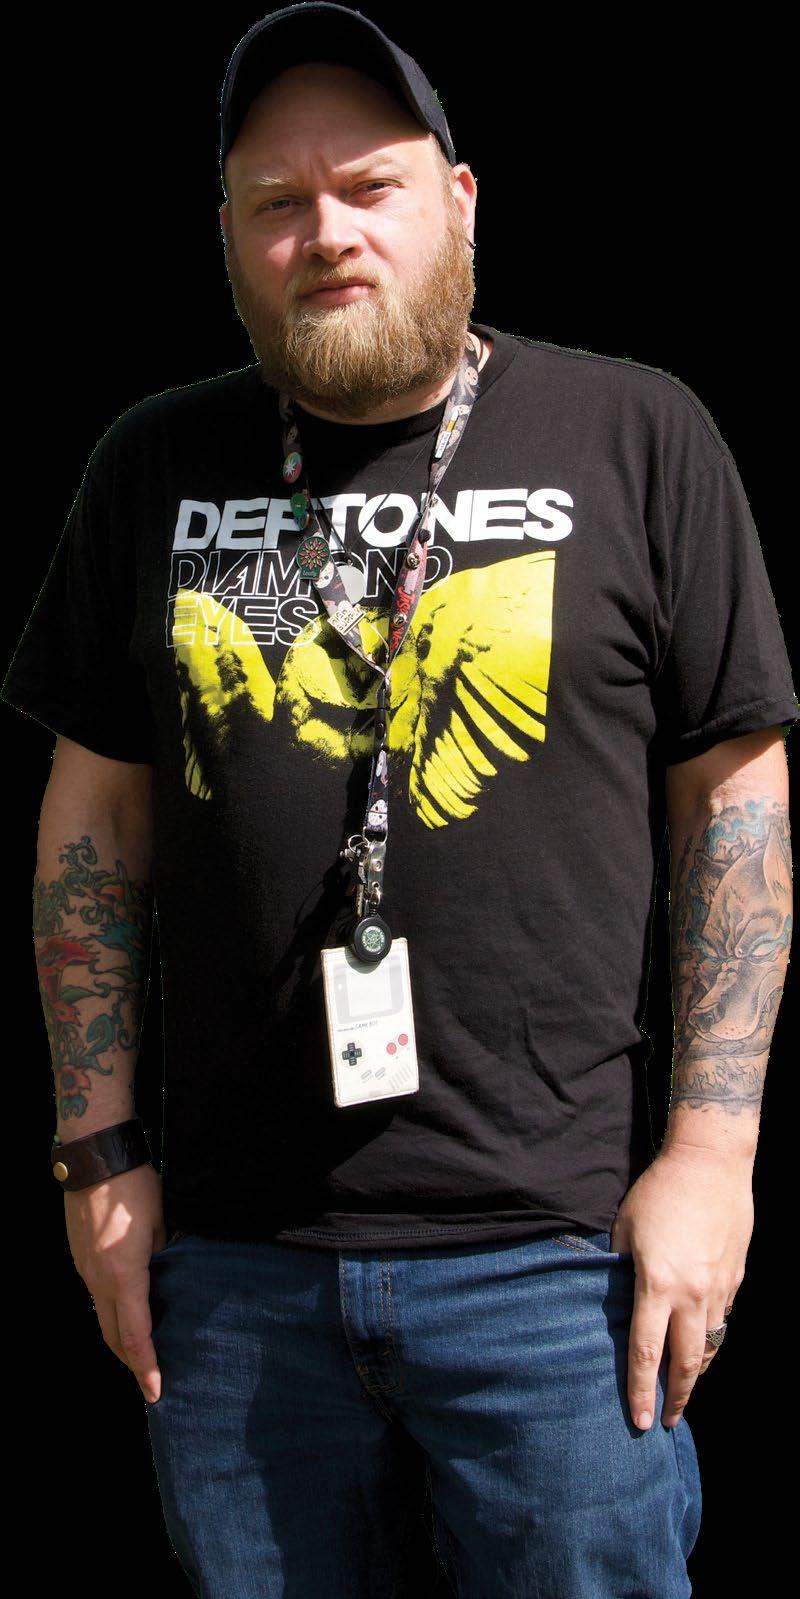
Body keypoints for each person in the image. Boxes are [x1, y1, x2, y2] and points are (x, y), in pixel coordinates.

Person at [4, 5, 797, 1595]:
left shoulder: (638, 434)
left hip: (561, 1271)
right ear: (228, 236)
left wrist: (714, 1156)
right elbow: (96, 825)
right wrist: (99, 1158)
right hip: (235, 1280)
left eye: (369, 186)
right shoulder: (151, 464)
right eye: (276, 202)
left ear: (462, 202)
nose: (326, 235)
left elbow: (732, 802)